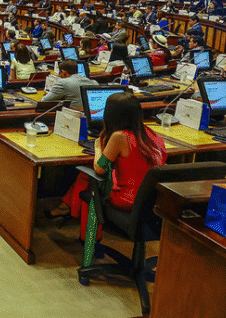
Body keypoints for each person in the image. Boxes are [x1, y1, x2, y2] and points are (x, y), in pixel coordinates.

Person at [55, 93, 167, 247]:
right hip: (152, 198)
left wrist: (98, 146)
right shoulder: (152, 134)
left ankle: (90, 240)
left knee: (91, 183)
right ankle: (68, 208)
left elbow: (99, 169)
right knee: (87, 175)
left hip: (129, 199)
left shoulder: (120, 136)